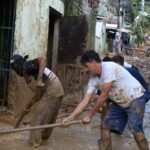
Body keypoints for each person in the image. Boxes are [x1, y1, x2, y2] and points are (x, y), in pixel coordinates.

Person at [62, 50, 149, 150]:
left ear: (93, 62)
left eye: (86, 66)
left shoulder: (109, 67)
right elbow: (85, 100)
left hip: (136, 98)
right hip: (120, 102)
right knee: (105, 126)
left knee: (135, 130)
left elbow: (103, 96)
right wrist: (70, 118)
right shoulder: (93, 79)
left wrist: (89, 115)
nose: (85, 70)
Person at [10, 54, 64, 147]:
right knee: (47, 120)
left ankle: (34, 145)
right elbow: (38, 94)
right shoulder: (31, 71)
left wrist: (39, 79)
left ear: (18, 67)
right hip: (57, 90)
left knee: (36, 122)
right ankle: (43, 142)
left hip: (52, 90)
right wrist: (27, 107)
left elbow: (43, 58)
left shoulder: (27, 65)